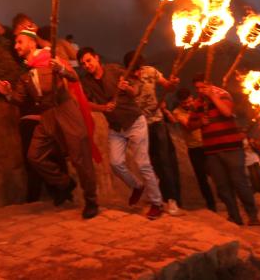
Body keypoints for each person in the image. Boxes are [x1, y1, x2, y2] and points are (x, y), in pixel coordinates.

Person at [0, 30, 99, 219]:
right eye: (15, 43)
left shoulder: (51, 57)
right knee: (35, 156)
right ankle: (65, 183)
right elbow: (18, 99)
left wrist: (62, 69)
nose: (16, 46)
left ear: (32, 43)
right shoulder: (25, 75)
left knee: (79, 157)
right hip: (47, 115)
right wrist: (7, 92)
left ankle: (91, 201)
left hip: (66, 110)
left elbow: (74, 77)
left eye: (19, 42)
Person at [78, 47, 163, 219]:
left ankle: (157, 203)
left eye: (89, 60)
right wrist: (102, 107)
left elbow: (135, 92)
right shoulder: (86, 82)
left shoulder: (115, 70)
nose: (87, 65)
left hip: (134, 122)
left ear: (96, 58)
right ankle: (137, 186)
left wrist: (126, 87)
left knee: (143, 164)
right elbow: (85, 103)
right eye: (83, 64)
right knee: (116, 163)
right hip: (116, 128)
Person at [192, 73, 260, 226]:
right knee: (222, 186)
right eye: (197, 88)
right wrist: (200, 122)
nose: (200, 90)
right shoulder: (197, 103)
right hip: (211, 151)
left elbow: (227, 113)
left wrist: (213, 97)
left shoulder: (223, 95)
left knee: (239, 182)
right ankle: (235, 217)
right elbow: (191, 125)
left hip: (232, 148)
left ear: (209, 84)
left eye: (202, 87)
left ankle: (253, 215)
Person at [124, 51, 183, 216]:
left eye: (138, 67)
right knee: (148, 164)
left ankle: (172, 200)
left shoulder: (150, 71)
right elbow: (129, 97)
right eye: (133, 68)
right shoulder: (125, 79)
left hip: (157, 122)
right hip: (140, 125)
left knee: (164, 161)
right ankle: (157, 196)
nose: (137, 71)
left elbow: (167, 86)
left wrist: (172, 83)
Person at [169, 87, 216, 211]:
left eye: (189, 101)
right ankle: (211, 204)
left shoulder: (200, 105)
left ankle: (225, 197)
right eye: (184, 103)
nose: (188, 104)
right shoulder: (177, 112)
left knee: (217, 173)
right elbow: (188, 126)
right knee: (202, 178)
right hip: (194, 149)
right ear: (180, 102)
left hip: (208, 144)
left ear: (192, 98)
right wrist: (201, 122)